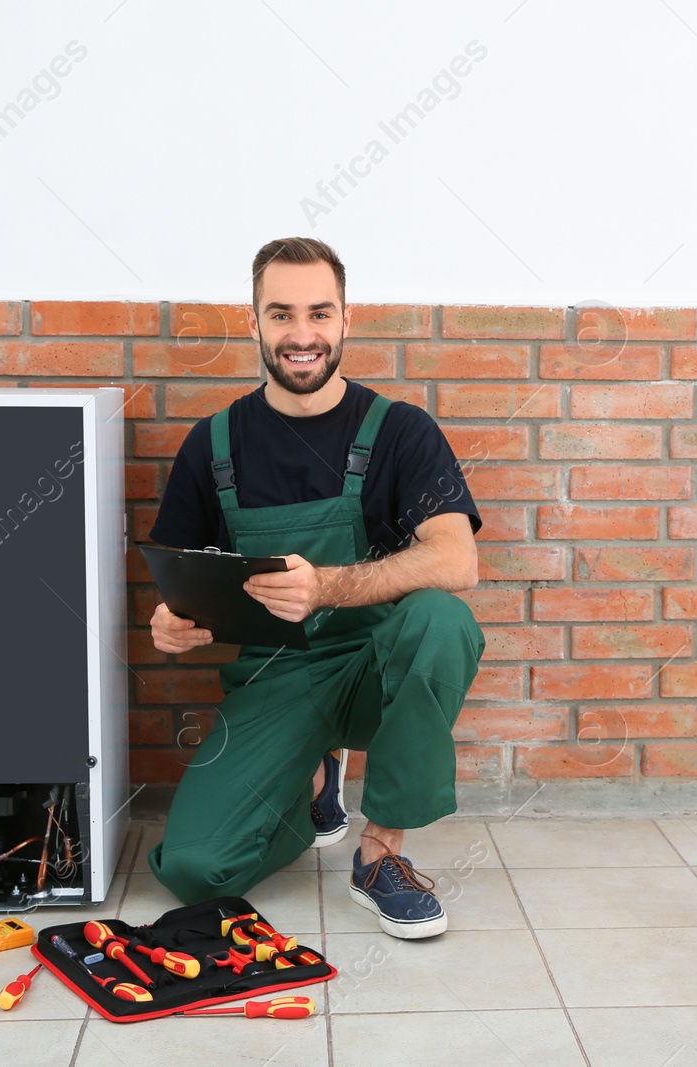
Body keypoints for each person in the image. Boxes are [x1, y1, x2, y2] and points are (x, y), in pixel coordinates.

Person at [145, 236, 485, 939]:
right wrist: (169, 623)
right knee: (193, 869)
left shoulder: (400, 432)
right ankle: (310, 788)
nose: (302, 335)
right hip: (274, 678)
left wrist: (326, 584)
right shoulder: (211, 447)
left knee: (441, 620)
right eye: (281, 314)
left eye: (319, 314)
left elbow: (457, 559)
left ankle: (379, 853)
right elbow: (177, 579)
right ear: (254, 323)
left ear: (345, 319)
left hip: (373, 666)